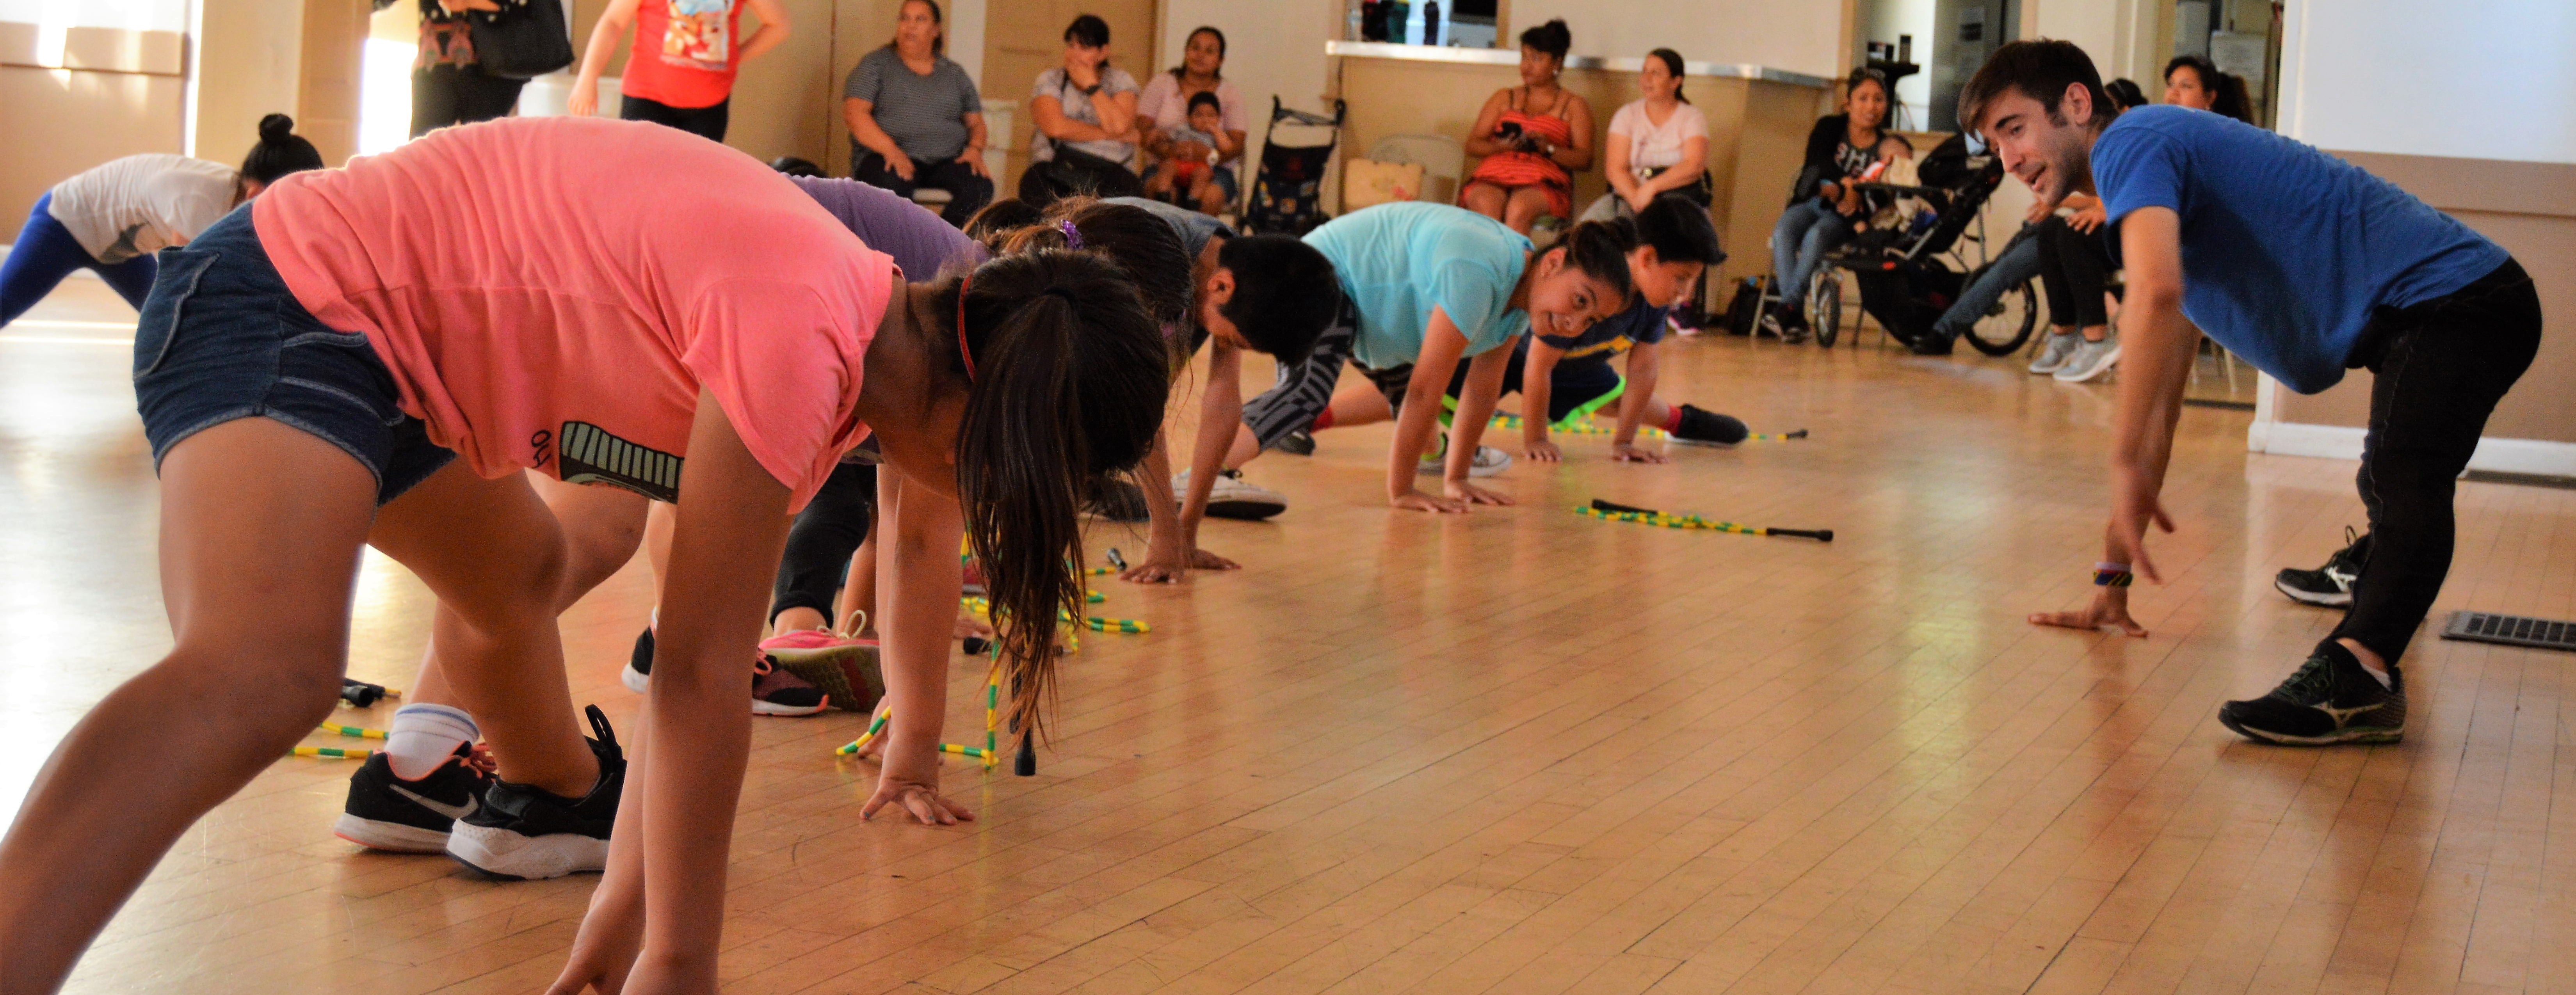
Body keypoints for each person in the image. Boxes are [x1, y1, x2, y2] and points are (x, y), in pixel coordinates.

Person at [0, 117, 1171, 994]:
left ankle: (543, 796)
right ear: (985, 431)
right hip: (285, 299)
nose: (979, 516)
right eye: (1007, 493)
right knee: (263, 671)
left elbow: (680, 668)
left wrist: (621, 924)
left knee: (516, 584)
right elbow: (706, 673)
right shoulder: (809, 329)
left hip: (393, 371)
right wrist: (683, 958)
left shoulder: (844, 350)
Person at [1971, 41, 2540, 747]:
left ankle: (2360, 671)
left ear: (2078, 105)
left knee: (2403, 474)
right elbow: (2161, 409)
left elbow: (2152, 293)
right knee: (2392, 476)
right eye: (1994, 143)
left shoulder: (2133, 140)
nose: (2009, 159)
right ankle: (2382, 570)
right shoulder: (2160, 203)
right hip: (2451, 306)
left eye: (2015, 128)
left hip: (2461, 299)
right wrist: (2110, 580)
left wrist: (2119, 463)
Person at [1222, 203, 1634, 515]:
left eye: (1591, 319)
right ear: (1554, 263)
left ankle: (1445, 461)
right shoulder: (1482, 270)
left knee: (1412, 413)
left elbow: (1482, 389)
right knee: (1306, 395)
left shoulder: (1521, 299)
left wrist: (1458, 480)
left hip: (1363, 308)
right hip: (1311, 277)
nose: (1575, 323)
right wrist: (1402, 491)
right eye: (1580, 301)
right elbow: (1426, 389)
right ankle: (1195, 479)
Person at [1459, 197, 1744, 462]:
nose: (1686, 293)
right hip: (1510, 357)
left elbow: (1643, 371)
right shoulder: (1596, 284)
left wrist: (1624, 443)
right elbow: (1538, 364)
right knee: (1445, 396)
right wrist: (1536, 439)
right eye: (1681, 279)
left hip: (1576, 369)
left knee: (1625, 401)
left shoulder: (1653, 300)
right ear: (1646, 258)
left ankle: (1681, 421)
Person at [2, 115, 322, 328]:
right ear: (255, 194)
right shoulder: (199, 201)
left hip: (117, 250)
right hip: (65, 223)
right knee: (7, 301)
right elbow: (189, 282)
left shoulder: (236, 199)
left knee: (166, 322)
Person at [1921, 79, 2146, 357]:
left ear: (2124, 111)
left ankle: (1943, 331)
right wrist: (2056, 203)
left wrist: (2058, 202)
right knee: (2017, 249)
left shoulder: (2129, 149)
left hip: (2086, 242)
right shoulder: (2100, 150)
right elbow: (2095, 198)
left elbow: (2107, 203)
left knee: (2007, 269)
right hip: (2067, 233)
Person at [1767, 67, 1891, 342]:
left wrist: (1854, 195)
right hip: (1814, 201)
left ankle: (1788, 308)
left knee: (1817, 235)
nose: (1871, 106)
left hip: (1844, 219)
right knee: (1784, 231)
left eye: (1879, 99)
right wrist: (1846, 184)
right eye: (1863, 98)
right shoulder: (1829, 127)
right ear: (1848, 104)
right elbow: (1817, 160)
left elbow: (1884, 194)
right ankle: (1794, 316)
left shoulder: (1886, 146)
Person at [843, 0, 992, 226]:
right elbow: (855, 114)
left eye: (920, 19)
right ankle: (900, 252)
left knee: (980, 186)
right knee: (892, 186)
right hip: (887, 157)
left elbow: (976, 123)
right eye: (905, 18)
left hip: (945, 160)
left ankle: (943, 246)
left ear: (936, 30)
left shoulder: (954, 74)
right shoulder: (875, 65)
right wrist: (890, 150)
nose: (910, 26)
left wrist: (975, 149)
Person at [568, 0, 792, 141]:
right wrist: (587, 79)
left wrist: (735, 57)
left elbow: (778, 25)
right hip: (647, 99)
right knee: (640, 180)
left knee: (696, 187)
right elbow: (613, 22)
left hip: (709, 106)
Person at [1460, 19, 1594, 235]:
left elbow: (1585, 160)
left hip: (1542, 182)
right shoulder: (1504, 97)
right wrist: (1500, 147)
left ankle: (1514, 268)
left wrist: (1548, 149)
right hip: (1494, 174)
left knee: (1519, 209)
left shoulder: (1574, 105)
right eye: (1524, 57)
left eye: (1537, 59)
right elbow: (1472, 145)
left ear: (1557, 64)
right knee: (1486, 205)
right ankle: (1488, 267)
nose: (1526, 66)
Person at [1020, 14, 1142, 206]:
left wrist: (1091, 86)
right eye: (1071, 46)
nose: (1073, 54)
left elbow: (1119, 125)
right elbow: (1055, 128)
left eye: (1084, 48)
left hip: (1110, 170)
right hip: (1056, 167)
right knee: (1036, 187)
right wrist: (1110, 135)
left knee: (1125, 202)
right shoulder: (1050, 79)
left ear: (1103, 53)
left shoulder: (1121, 81)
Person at [1580, 48, 1709, 223]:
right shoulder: (1627, 115)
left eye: (1656, 73)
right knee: (1588, 227)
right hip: (1629, 197)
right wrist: (1636, 198)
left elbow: (1694, 166)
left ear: (1675, 82)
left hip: (1677, 202)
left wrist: (1652, 188)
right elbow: (1615, 169)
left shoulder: (1692, 117)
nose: (1646, 79)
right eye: (1644, 72)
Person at [1136, 26, 1246, 217]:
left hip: (1215, 169)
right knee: (1163, 191)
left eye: (1210, 51)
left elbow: (1237, 144)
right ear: (1186, 52)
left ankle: (1198, 245)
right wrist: (1170, 151)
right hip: (1164, 163)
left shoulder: (1230, 94)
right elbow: (1144, 130)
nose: (1201, 55)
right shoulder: (1162, 83)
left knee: (1210, 196)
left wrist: (1209, 156)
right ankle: (1164, 245)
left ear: (1220, 61)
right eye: (1195, 48)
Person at [398, 0, 527, 135]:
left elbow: (527, 8)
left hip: (493, 69)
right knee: (423, 151)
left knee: (482, 149)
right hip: (434, 67)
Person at [1142, 92, 1230, 214]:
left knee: (1203, 174)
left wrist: (1216, 131)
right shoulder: (1183, 129)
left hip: (1199, 167)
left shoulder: (1216, 135)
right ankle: (1163, 194)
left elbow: (1227, 148)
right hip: (1178, 164)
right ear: (1189, 118)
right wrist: (1159, 135)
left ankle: (1193, 201)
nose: (1205, 120)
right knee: (1167, 166)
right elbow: (1169, 138)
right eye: (1199, 115)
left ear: (1219, 118)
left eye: (1211, 116)